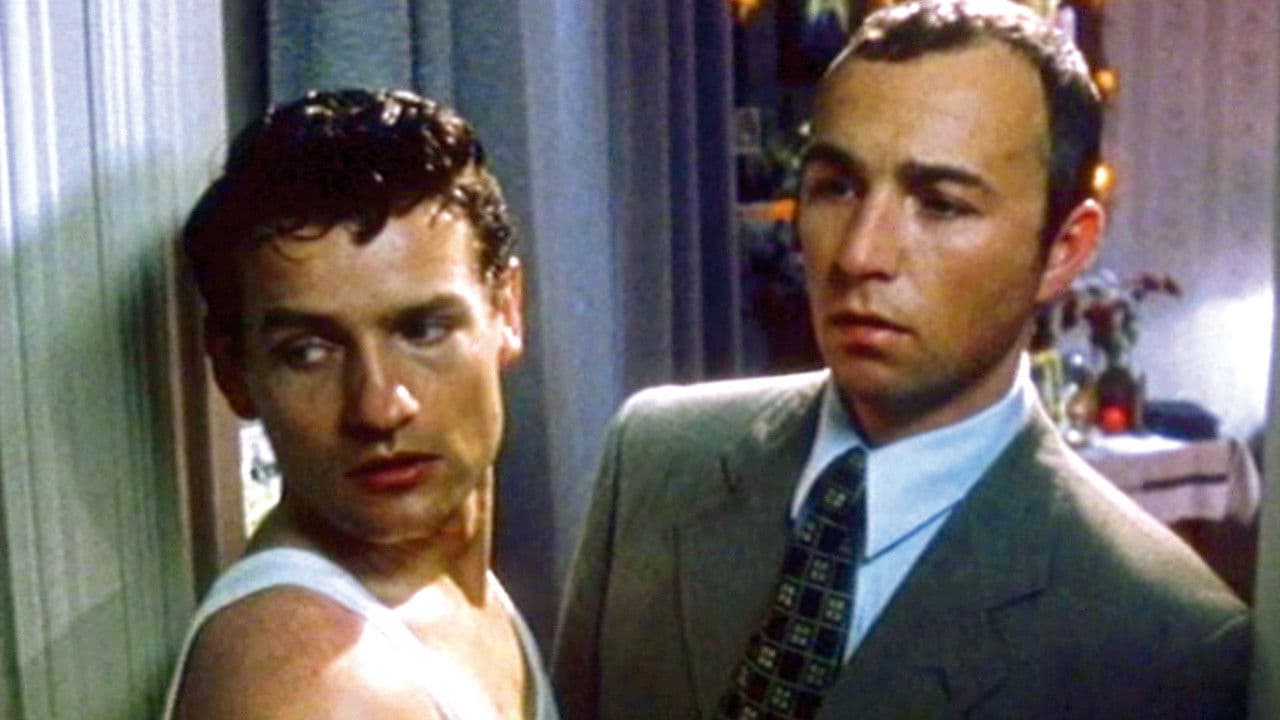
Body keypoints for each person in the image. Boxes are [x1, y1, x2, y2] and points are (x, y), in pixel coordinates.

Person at [552, 2, 1249, 718]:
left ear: (1063, 250)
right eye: (837, 187)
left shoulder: (1166, 638)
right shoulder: (655, 458)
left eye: (941, 204)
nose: (860, 254)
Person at [163, 89, 558, 720]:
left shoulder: (441, 588)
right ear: (233, 371)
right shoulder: (314, 682)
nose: (378, 408)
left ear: (506, 309)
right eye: (307, 352)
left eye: (423, 330)